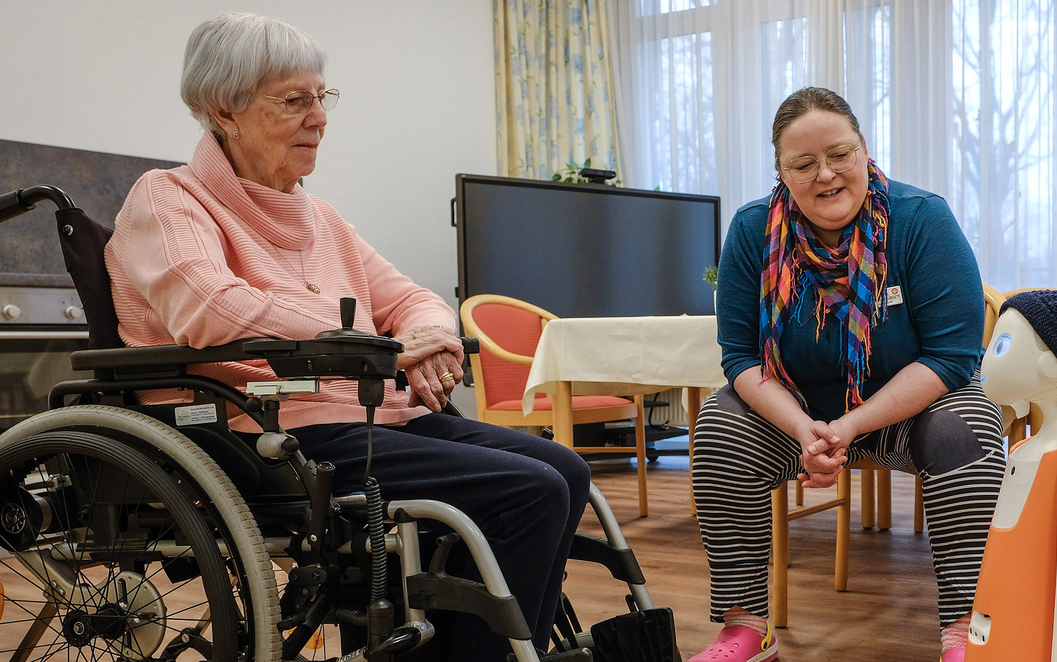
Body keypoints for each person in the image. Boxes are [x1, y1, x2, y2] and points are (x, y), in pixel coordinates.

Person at [105, 13, 589, 660]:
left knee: (565, 468)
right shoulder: (168, 199)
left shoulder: (318, 214)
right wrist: (376, 344)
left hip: (364, 416)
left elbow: (410, 297)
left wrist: (427, 335)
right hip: (259, 429)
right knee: (528, 490)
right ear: (224, 108)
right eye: (294, 101)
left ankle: (477, 646)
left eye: (321, 97)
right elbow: (212, 309)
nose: (320, 118)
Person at [689, 87, 1006, 662]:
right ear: (781, 172)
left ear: (864, 148)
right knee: (719, 427)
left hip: (910, 411)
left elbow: (952, 356)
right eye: (803, 164)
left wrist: (851, 424)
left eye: (840, 154)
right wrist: (806, 428)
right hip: (797, 415)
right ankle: (746, 629)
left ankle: (969, 632)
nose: (826, 175)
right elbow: (740, 357)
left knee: (971, 424)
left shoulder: (920, 220)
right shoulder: (752, 231)